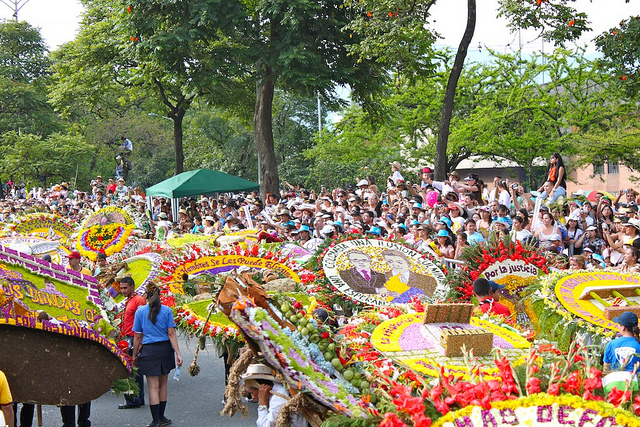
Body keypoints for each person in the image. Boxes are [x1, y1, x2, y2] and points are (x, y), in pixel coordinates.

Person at [132, 283, 183, 427]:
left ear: (146, 295)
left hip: (148, 351)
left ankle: (155, 421)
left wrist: (134, 355)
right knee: (163, 384)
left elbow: (137, 335)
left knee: (152, 387)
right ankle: (162, 417)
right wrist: (178, 353)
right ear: (160, 295)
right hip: (165, 349)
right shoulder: (167, 311)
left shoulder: (140, 312)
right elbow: (171, 333)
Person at [242, 364, 308, 427]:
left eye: (251, 393)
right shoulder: (275, 392)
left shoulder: (278, 397)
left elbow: (265, 425)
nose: (253, 397)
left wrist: (262, 402)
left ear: (261, 388)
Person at [118, 276, 146, 409]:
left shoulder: (139, 300)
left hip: (133, 339)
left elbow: (143, 322)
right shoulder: (129, 300)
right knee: (134, 371)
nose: (123, 290)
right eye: (121, 288)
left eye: (125, 288)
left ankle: (132, 400)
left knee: (129, 371)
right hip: (128, 338)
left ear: (132, 287)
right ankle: (137, 399)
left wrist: (139, 342)